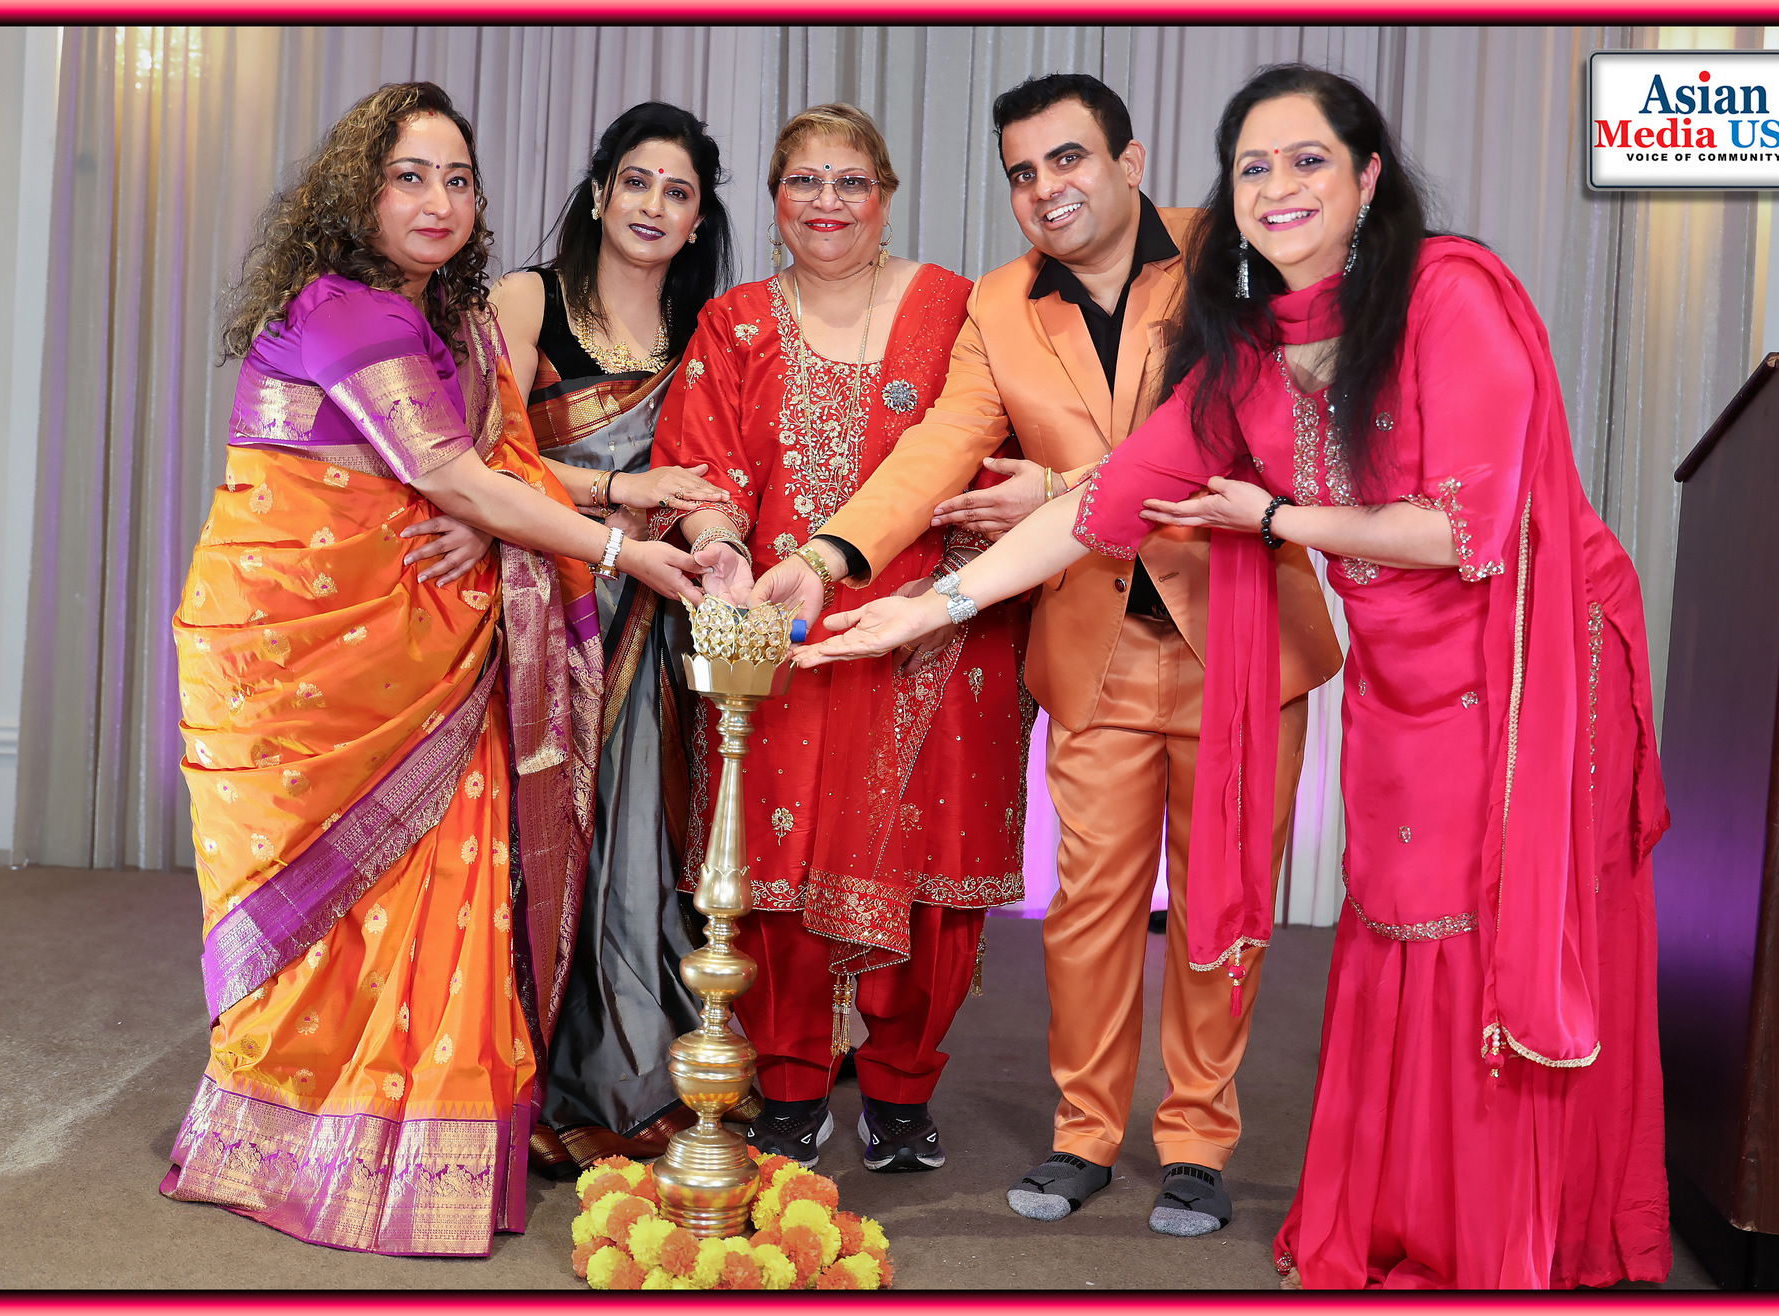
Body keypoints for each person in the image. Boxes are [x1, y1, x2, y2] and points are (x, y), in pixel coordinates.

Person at [802, 62, 1671, 1290]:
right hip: (1393, 666)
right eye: (1253, 166)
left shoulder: (1447, 293)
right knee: (1402, 921)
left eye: (1306, 159)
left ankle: (1516, 1231)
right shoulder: (1248, 356)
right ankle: (1415, 1214)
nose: (1276, 186)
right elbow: (1102, 504)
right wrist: (918, 606)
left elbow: (1462, 528)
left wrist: (1272, 518)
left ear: (1366, 177)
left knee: (1487, 928)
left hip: (1525, 650)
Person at [750, 73, 1341, 1235]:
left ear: (1129, 161)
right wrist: (827, 554)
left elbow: (1220, 434)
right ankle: (1083, 1135)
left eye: (1066, 159)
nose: (1044, 189)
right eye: (1021, 172)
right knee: (1087, 914)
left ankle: (1196, 1142)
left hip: (1240, 639)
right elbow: (939, 446)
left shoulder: (1231, 256)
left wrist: (1060, 481)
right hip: (1094, 646)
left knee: (1222, 908)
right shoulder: (1003, 303)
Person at [161, 81, 702, 1257]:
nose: (438, 200)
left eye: (457, 179)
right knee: (329, 914)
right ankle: (297, 1136)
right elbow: (454, 476)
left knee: (443, 893)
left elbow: (487, 469)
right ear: (359, 190)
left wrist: (545, 507)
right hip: (310, 661)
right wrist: (615, 548)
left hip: (431, 648)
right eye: (409, 176)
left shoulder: (447, 316)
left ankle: (418, 1146)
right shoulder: (341, 309)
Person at [651, 103, 1033, 1174]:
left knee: (929, 862)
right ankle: (789, 1082)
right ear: (775, 200)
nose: (827, 202)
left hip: (937, 634)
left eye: (850, 181)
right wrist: (719, 548)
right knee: (773, 863)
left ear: (887, 197)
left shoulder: (954, 306)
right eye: (804, 181)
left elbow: (992, 445)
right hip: (782, 636)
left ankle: (903, 1089)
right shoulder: (734, 322)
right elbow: (703, 470)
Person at [490, 101, 738, 1173]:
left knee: (634, 837)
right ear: (598, 194)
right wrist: (614, 491)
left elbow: (718, 476)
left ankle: (624, 1068)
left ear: (697, 220)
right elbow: (479, 457)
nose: (652, 205)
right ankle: (513, 1068)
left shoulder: (707, 333)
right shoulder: (526, 299)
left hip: (650, 616)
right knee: (527, 833)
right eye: (636, 181)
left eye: (677, 192)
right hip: (533, 602)